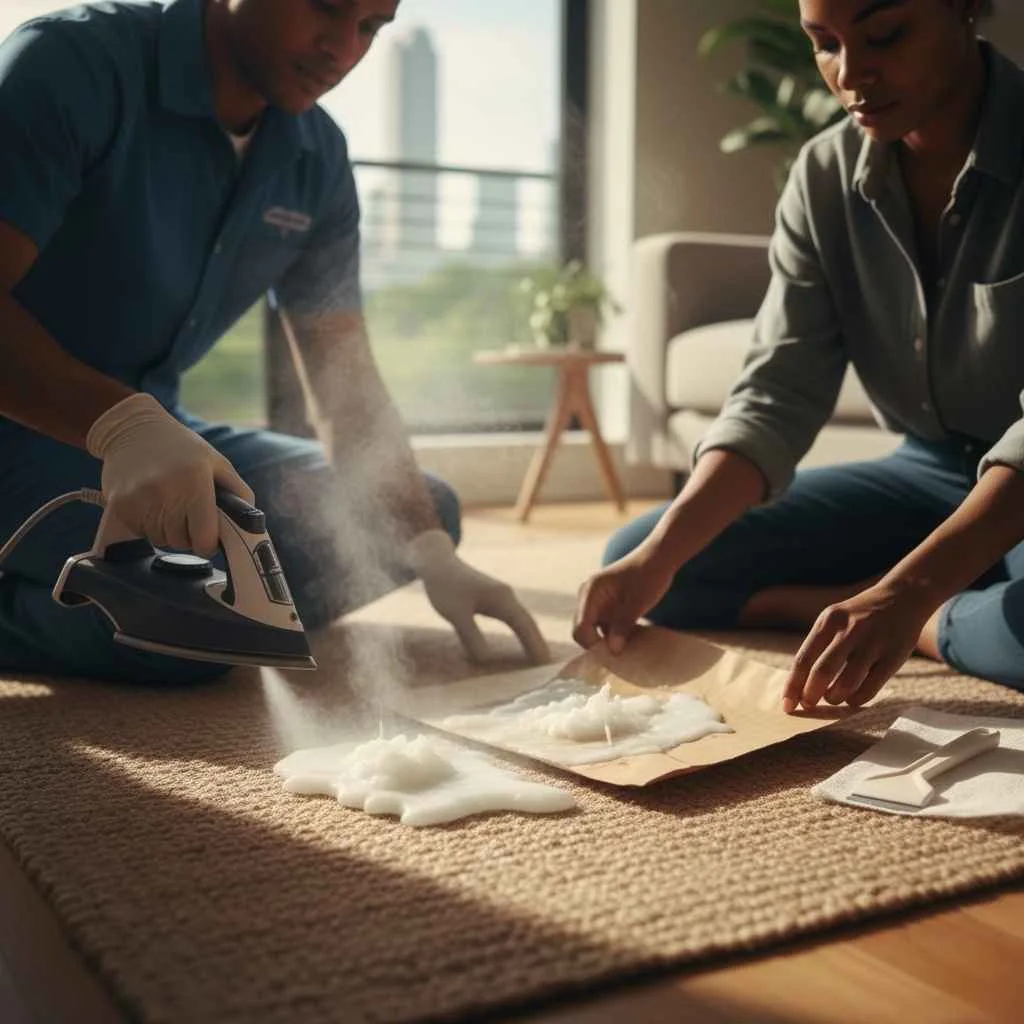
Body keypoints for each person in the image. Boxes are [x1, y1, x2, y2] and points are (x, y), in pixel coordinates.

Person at [0, 0, 549, 683]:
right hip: (20, 430)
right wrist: (124, 425)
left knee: (416, 515)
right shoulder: (73, 64)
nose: (344, 50)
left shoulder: (316, 157)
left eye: (372, 27)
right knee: (180, 634)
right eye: (327, 8)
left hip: (158, 433)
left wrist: (431, 552)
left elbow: (342, 378)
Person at [575, 0, 1024, 711]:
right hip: (929, 470)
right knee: (659, 560)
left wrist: (910, 599)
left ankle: (933, 619)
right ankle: (906, 597)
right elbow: (776, 392)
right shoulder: (824, 175)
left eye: (884, 35)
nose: (851, 74)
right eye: (824, 44)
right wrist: (654, 559)